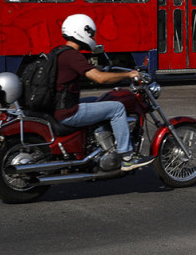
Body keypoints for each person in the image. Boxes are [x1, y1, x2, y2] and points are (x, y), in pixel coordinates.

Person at [54, 13, 153, 171]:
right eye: (91, 33)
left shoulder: (59, 52)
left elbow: (86, 72)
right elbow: (100, 79)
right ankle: (127, 157)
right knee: (117, 108)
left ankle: (99, 144)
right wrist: (129, 74)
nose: (92, 37)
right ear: (82, 31)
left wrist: (97, 69)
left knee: (96, 100)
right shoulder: (73, 56)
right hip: (68, 111)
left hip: (57, 107)